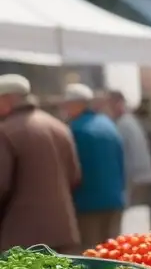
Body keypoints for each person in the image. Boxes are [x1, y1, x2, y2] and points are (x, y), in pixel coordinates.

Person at [0, 75, 81, 253]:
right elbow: (74, 177)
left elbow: (2, 185)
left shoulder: (6, 132)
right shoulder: (59, 127)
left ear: (5, 100)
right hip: (63, 230)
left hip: (22, 237)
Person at [62, 83, 126, 250]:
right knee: (113, 253)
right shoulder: (108, 125)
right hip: (114, 200)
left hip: (87, 203)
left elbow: (71, 171)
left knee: (91, 254)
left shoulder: (75, 130)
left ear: (76, 104)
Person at [107, 90, 151, 207]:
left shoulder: (123, 125)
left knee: (134, 213)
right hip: (142, 176)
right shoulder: (130, 121)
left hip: (135, 178)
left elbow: (121, 154)